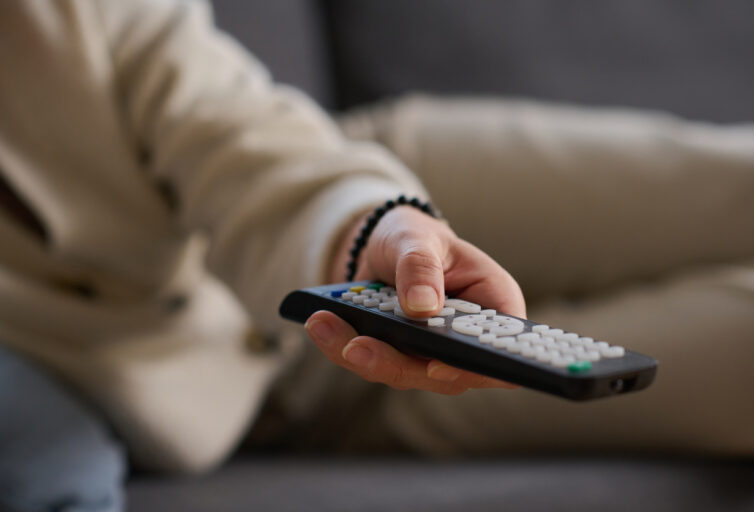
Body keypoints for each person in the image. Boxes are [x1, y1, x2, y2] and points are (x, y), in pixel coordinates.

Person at [0, 1, 522, 510]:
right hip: (309, 381)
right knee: (584, 380)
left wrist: (370, 230)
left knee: (605, 196)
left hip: (336, 185)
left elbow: (227, 130)